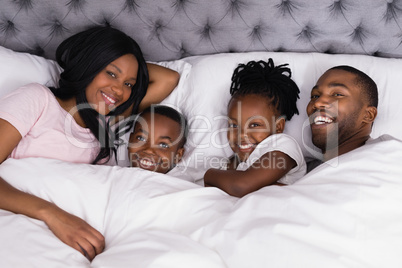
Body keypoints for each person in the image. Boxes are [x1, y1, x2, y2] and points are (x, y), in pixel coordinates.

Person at [0, 26, 179, 260]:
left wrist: (127, 66)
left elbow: (168, 79)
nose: (118, 90)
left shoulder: (105, 123)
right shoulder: (38, 99)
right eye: (111, 74)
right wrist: (53, 215)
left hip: (81, 239)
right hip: (28, 224)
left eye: (129, 84)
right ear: (89, 65)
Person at [204, 58, 307, 198]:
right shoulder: (233, 162)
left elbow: (240, 186)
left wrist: (209, 174)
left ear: (278, 127)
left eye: (254, 125)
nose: (241, 135)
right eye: (234, 125)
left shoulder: (282, 146)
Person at [306, 65, 378, 170]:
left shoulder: (389, 156)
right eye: (315, 96)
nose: (317, 103)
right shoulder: (302, 172)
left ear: (368, 115)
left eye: (338, 94)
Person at [128, 105, 187, 174]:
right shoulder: (113, 174)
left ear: (177, 155)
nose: (149, 150)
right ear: (130, 140)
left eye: (163, 145)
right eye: (141, 138)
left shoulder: (180, 184)